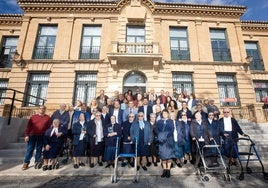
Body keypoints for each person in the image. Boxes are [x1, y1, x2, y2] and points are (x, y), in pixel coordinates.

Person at [22, 105, 51, 170]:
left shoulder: (48, 118)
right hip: (32, 135)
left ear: (45, 110)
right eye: (40, 108)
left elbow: (48, 128)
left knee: (39, 149)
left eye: (43, 108)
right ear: (38, 109)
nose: (42, 109)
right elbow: (28, 126)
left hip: (41, 136)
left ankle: (37, 162)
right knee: (30, 149)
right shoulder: (33, 117)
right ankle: (26, 163)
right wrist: (26, 135)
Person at [155, 110, 174, 178]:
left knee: (169, 155)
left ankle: (168, 170)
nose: (165, 114)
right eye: (163, 113)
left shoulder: (170, 121)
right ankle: (164, 170)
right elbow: (156, 129)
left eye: (166, 113)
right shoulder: (159, 121)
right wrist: (160, 135)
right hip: (161, 140)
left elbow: (172, 130)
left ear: (168, 114)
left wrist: (165, 136)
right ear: (162, 114)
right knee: (163, 156)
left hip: (169, 140)